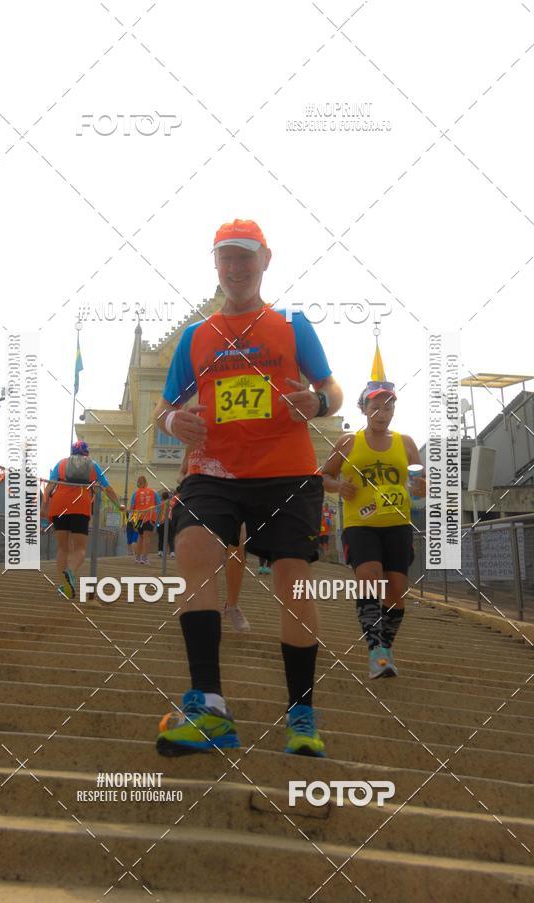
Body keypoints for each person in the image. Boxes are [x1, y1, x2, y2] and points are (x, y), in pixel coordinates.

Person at [153, 218, 342, 757]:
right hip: (212, 469)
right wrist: (172, 424)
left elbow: (331, 386)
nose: (236, 268)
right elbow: (168, 405)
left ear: (265, 260)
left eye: (246, 257)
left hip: (285, 469)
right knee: (191, 545)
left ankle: (301, 713)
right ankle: (210, 707)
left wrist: (321, 403)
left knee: (292, 577)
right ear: (215, 266)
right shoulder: (195, 337)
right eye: (226, 258)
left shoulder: (291, 324)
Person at [322, 368, 426, 679]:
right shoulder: (348, 441)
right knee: (369, 577)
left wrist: (421, 487)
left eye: (389, 407)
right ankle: (375, 651)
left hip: (397, 523)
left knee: (396, 590)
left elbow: (419, 482)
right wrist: (339, 487)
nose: (383, 413)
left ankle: (385, 648)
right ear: (364, 409)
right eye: (376, 407)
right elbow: (323, 475)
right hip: (360, 523)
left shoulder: (405, 443)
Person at [178, 447, 250, 631]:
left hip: (236, 486)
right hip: (203, 489)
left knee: (238, 545)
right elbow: (185, 462)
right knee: (201, 548)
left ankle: (231, 606)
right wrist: (184, 476)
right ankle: (201, 609)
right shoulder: (199, 425)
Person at [41, 440, 125, 599]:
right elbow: (107, 488)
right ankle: (70, 573)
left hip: (60, 506)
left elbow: (49, 486)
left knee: (62, 548)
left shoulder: (61, 464)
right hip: (80, 506)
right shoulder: (93, 465)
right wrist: (118, 504)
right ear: (87, 452)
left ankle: (63, 585)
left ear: (72, 452)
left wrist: (44, 507)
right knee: (80, 548)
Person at [129, 477, 160, 564]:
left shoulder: (135, 493)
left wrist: (132, 521)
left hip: (139, 517)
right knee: (147, 538)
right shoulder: (153, 492)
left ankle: (138, 558)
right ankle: (144, 558)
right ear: (146, 482)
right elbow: (159, 505)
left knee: (140, 537)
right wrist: (157, 519)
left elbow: (132, 508)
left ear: (138, 483)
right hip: (149, 517)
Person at [156, 491, 175, 559]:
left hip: (161, 522)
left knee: (161, 537)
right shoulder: (172, 503)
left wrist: (157, 523)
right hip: (171, 521)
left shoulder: (161, 504)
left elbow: (158, 513)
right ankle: (172, 553)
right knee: (171, 538)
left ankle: (160, 551)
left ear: (162, 497)